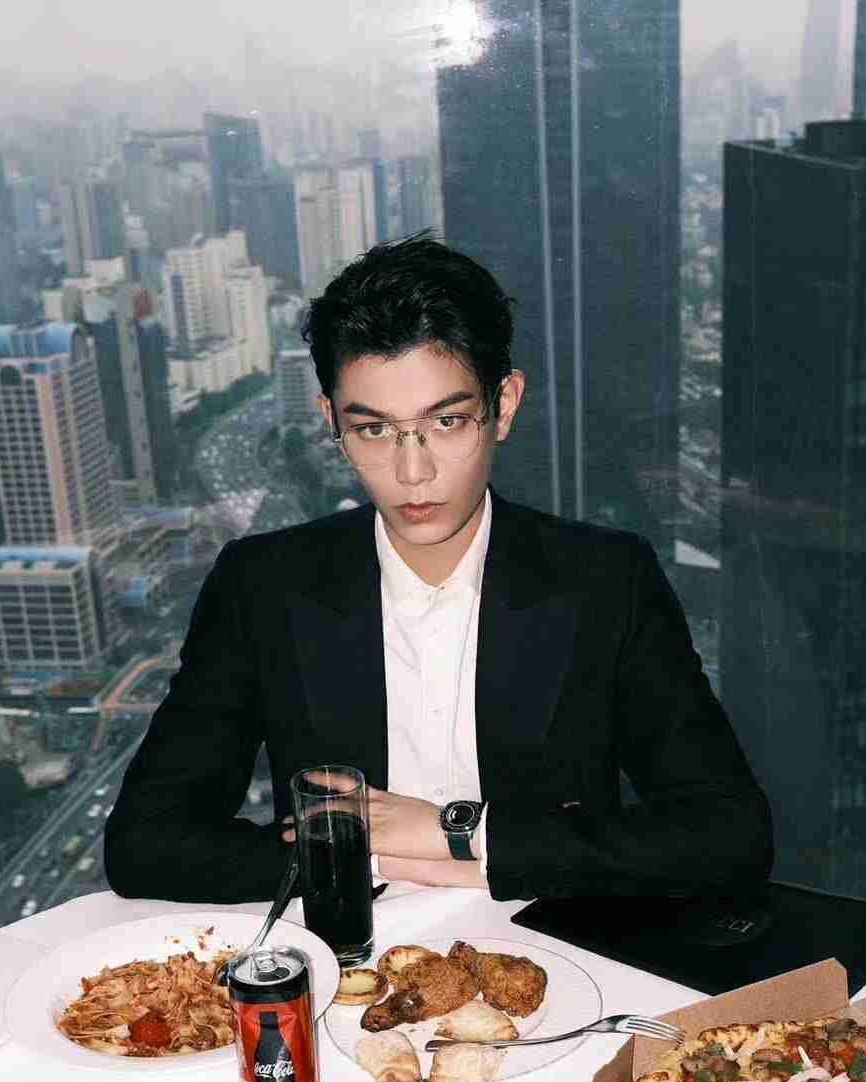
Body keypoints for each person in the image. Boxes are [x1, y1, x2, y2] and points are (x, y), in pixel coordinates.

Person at [105, 235, 772, 903]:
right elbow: (143, 841)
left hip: (549, 945)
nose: (412, 471)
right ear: (332, 423)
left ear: (504, 406)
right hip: (347, 949)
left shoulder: (606, 580)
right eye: (374, 429)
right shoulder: (262, 585)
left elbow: (731, 832)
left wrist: (461, 834)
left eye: (447, 421)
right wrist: (356, 855)